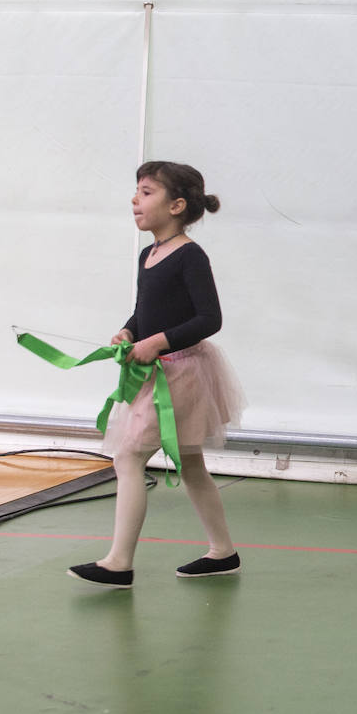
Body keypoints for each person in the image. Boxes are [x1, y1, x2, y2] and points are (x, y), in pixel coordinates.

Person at [68, 161, 246, 587]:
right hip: (158, 370)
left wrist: (158, 342)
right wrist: (130, 331)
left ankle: (119, 563)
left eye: (147, 192)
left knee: (128, 456)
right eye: (137, 191)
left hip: (181, 373)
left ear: (176, 205)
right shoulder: (148, 255)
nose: (135, 199)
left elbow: (210, 318)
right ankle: (223, 552)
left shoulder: (190, 256)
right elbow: (145, 308)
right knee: (191, 462)